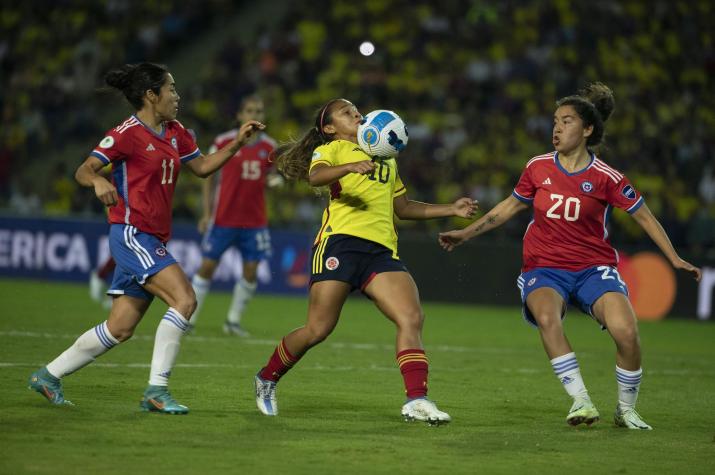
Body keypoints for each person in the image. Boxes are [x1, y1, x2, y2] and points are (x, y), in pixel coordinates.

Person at [438, 83, 702, 430]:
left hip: (594, 268)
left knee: (627, 332)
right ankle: (581, 400)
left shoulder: (607, 178)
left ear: (587, 129)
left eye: (566, 121)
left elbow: (644, 215)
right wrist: (465, 234)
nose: (557, 129)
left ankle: (626, 409)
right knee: (549, 318)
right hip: (544, 267)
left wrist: (674, 258)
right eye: (555, 122)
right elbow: (507, 208)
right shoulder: (537, 168)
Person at [28, 62, 264, 414]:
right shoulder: (126, 133)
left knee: (120, 327)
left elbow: (200, 168)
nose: (177, 96)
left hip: (152, 237)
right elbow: (85, 169)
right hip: (131, 233)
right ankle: (157, 390)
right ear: (151, 95)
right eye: (171, 89)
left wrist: (236, 146)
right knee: (184, 299)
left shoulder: (176, 131)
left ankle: (48, 376)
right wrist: (99, 181)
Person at [253, 98, 477, 425]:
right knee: (318, 329)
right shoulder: (332, 150)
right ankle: (267, 378)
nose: (355, 113)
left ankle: (416, 400)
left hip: (381, 252)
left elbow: (403, 207)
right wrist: (348, 167)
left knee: (411, 317)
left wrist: (450, 209)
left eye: (356, 109)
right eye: (346, 112)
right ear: (329, 128)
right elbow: (316, 177)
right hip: (339, 244)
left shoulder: (385, 156)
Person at [189, 95, 280, 336]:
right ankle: (189, 318)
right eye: (250, 110)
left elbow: (273, 175)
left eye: (259, 111)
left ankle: (233, 321)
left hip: (255, 221)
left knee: (251, 271)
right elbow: (207, 176)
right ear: (240, 115)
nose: (255, 114)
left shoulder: (270, 147)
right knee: (207, 266)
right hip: (223, 218)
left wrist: (275, 180)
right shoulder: (222, 141)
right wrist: (207, 213)